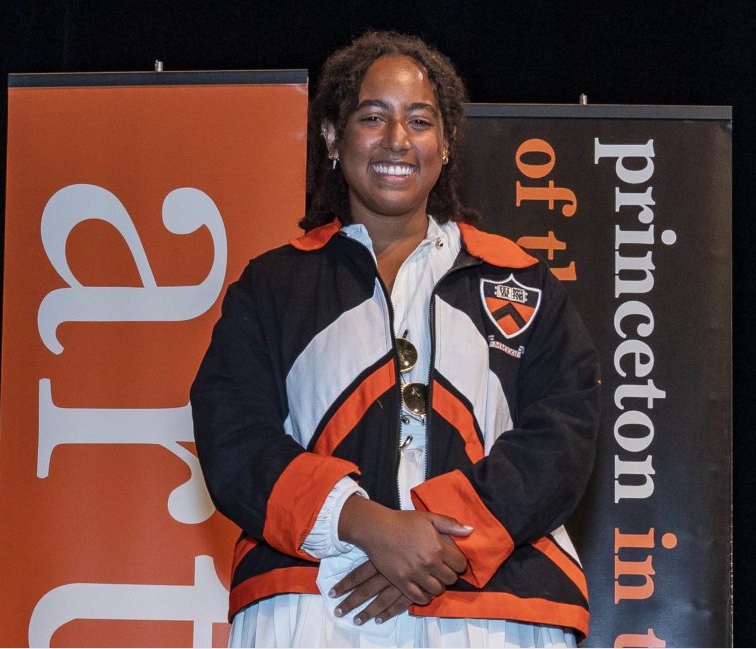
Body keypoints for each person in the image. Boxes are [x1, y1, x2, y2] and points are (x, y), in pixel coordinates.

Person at [191, 30, 600, 648]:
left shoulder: (521, 279)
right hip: (316, 605)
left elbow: (564, 433)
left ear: (447, 141)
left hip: (498, 610)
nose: (397, 141)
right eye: (372, 117)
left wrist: (440, 542)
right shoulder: (272, 285)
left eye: (419, 120)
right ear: (333, 135)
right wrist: (362, 524)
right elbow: (232, 435)